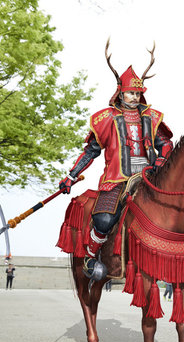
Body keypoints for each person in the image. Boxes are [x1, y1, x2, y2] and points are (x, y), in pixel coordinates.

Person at [58, 42, 173, 280]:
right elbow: (91, 151)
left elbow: (166, 144)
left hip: (149, 178)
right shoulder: (106, 118)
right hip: (117, 179)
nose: (135, 96)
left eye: (138, 93)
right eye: (131, 92)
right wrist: (71, 176)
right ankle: (91, 256)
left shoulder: (151, 118)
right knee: (103, 219)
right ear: (120, 92)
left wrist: (161, 161)